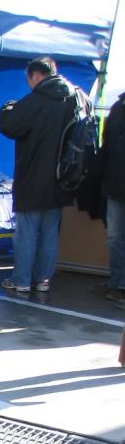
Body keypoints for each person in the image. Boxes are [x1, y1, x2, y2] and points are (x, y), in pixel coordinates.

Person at [0, 57, 81, 293]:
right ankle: (43, 280)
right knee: (50, 232)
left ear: (35, 76)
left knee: (27, 232)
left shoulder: (36, 100)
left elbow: (7, 125)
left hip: (33, 177)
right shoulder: (75, 98)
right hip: (63, 177)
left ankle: (22, 279)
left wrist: (8, 107)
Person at [99, 90, 125, 304]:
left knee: (117, 238)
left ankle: (120, 284)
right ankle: (117, 281)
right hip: (116, 185)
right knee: (115, 238)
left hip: (116, 184)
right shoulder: (119, 107)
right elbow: (107, 145)